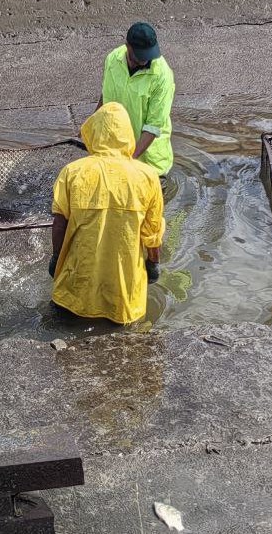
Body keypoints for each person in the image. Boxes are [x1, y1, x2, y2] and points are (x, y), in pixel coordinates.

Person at [48, 102, 165, 324]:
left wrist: (56, 258)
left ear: (93, 132)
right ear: (128, 135)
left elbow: (59, 224)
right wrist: (153, 263)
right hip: (124, 295)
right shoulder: (147, 176)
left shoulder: (73, 172)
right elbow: (153, 233)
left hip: (76, 289)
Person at [100, 21, 176, 177]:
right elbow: (106, 94)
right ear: (128, 46)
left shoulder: (162, 76)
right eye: (141, 55)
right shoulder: (113, 60)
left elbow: (153, 127)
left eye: (149, 54)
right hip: (118, 152)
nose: (146, 60)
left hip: (150, 164)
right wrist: (93, 123)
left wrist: (130, 160)